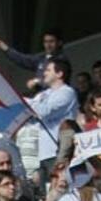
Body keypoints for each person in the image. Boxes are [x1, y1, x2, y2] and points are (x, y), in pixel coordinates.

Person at [26, 59, 79, 188]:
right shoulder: (43, 94)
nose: (44, 73)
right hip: (41, 153)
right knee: (46, 195)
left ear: (59, 73)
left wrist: (25, 103)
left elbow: (42, 111)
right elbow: (28, 111)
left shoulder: (67, 92)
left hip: (57, 151)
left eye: (48, 70)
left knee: (60, 190)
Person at [0, 29, 67, 85]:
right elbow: (22, 59)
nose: (48, 45)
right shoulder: (41, 59)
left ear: (59, 43)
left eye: (51, 41)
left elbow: (54, 81)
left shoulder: (62, 61)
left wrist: (36, 82)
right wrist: (1, 45)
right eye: (46, 42)